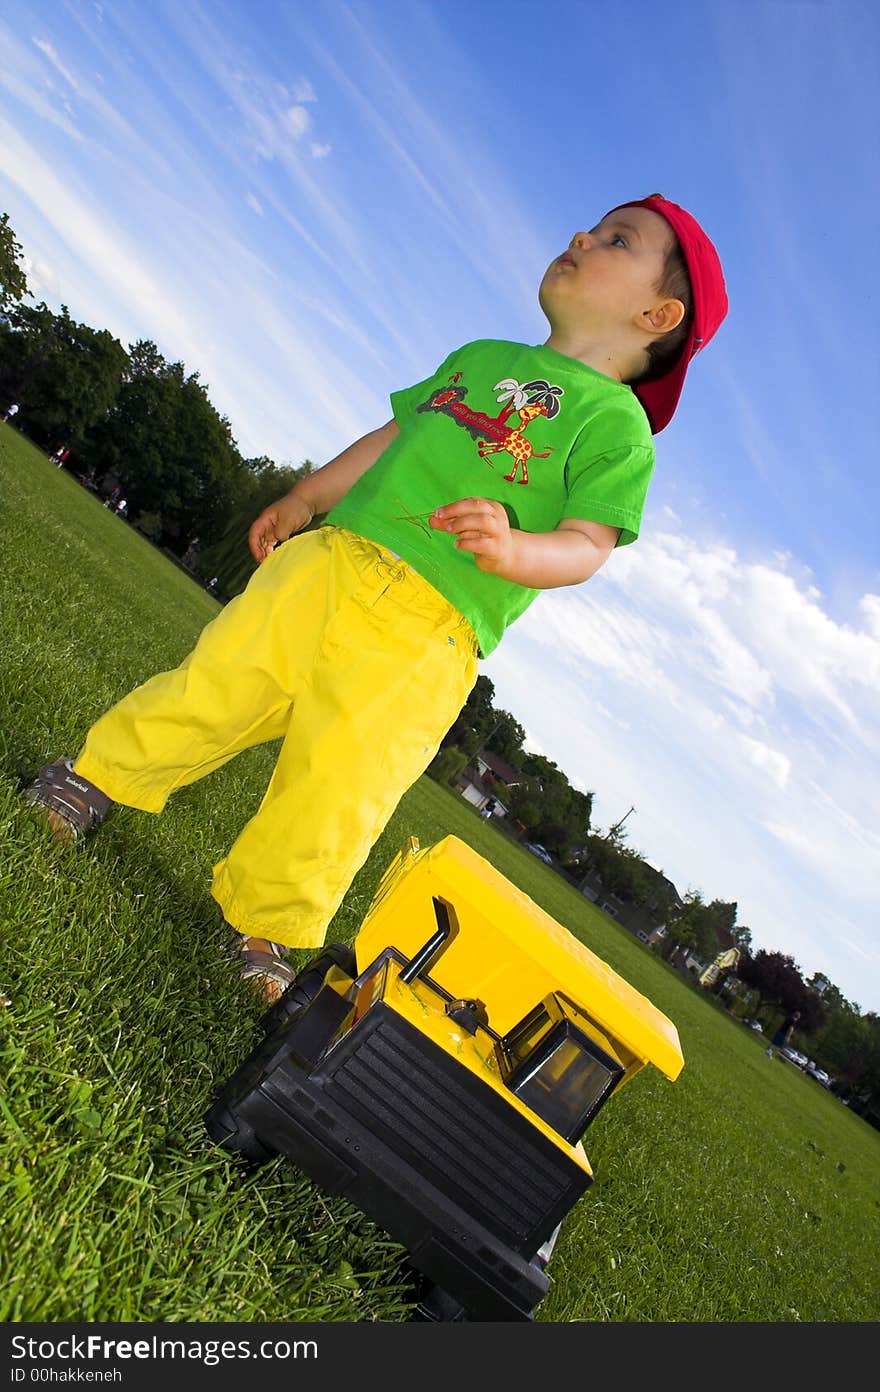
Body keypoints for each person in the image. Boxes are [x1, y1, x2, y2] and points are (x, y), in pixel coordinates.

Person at [23, 193, 728, 1002]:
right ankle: (92, 779)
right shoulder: (481, 357)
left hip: (430, 632)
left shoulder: (617, 427)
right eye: (592, 225)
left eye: (616, 240)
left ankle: (267, 927)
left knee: (341, 787)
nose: (580, 236)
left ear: (658, 311)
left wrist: (516, 547)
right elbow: (395, 437)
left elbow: (589, 545)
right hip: (330, 565)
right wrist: (306, 497)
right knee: (214, 686)